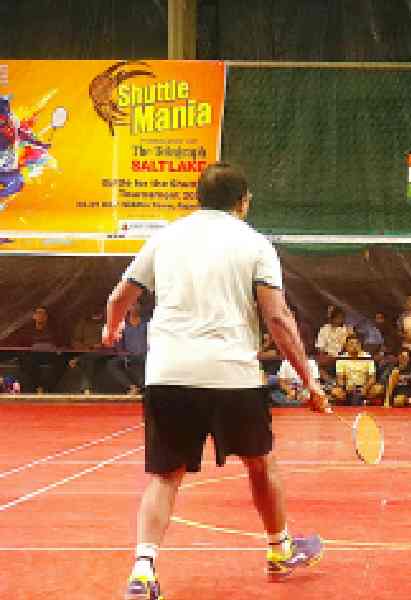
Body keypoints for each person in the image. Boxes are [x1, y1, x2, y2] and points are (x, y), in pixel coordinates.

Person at [103, 162, 329, 600]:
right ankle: (280, 549)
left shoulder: (165, 238)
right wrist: (310, 380)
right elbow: (278, 318)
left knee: (164, 476)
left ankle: (144, 571)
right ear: (243, 202)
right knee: (261, 464)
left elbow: (119, 298)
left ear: (197, 198)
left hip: (168, 372)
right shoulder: (255, 245)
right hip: (232, 375)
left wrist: (111, 328)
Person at [332, 333, 382, 405]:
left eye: (357, 344)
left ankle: (365, 402)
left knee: (378, 389)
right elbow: (339, 379)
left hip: (365, 387)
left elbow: (372, 378)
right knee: (335, 392)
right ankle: (347, 402)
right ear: (346, 346)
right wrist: (345, 387)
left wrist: (365, 388)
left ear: (361, 345)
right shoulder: (341, 358)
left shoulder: (368, 357)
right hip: (347, 388)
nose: (354, 346)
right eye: (351, 344)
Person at [68, 308, 108, 394]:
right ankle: (87, 389)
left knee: (87, 358)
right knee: (88, 360)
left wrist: (102, 345)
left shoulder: (107, 323)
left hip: (105, 351)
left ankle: (78, 359)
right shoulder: (83, 323)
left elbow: (113, 338)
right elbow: (75, 340)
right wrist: (87, 347)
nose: (96, 313)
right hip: (87, 351)